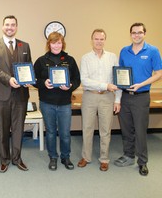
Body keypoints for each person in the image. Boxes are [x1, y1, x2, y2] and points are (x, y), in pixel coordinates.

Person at [114, 23, 162, 176]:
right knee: (127, 129)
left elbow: (159, 73)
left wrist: (141, 84)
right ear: (130, 34)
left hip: (142, 96)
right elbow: (120, 72)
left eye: (139, 32)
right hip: (126, 96)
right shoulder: (124, 51)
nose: (137, 35)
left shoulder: (153, 51)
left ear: (144, 34)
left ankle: (143, 162)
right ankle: (128, 155)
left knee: (140, 131)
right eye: (134, 33)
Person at [0, 15, 31, 173]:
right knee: (3, 129)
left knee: (18, 129)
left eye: (13, 25)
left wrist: (28, 79)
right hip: (1, 95)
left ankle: (17, 159)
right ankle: (4, 159)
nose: (10, 27)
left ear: (16, 27)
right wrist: (8, 79)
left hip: (21, 95)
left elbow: (28, 66)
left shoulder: (24, 45)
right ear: (2, 26)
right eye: (7, 24)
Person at [34, 32, 80, 171]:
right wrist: (44, 83)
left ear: (63, 44)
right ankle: (53, 157)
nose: (56, 45)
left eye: (59, 42)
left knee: (65, 133)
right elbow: (34, 80)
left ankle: (66, 157)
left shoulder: (70, 60)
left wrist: (71, 85)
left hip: (64, 103)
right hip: (47, 102)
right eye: (54, 42)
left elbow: (77, 79)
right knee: (51, 132)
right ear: (49, 44)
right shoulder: (41, 60)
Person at [78, 29, 121, 172]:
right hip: (90, 96)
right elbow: (84, 80)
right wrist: (104, 85)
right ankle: (86, 157)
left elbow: (117, 79)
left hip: (108, 97)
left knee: (105, 130)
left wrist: (118, 100)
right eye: (96, 39)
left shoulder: (112, 57)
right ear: (92, 40)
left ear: (105, 40)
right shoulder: (85, 58)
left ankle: (104, 159)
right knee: (87, 128)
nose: (99, 42)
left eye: (102, 39)